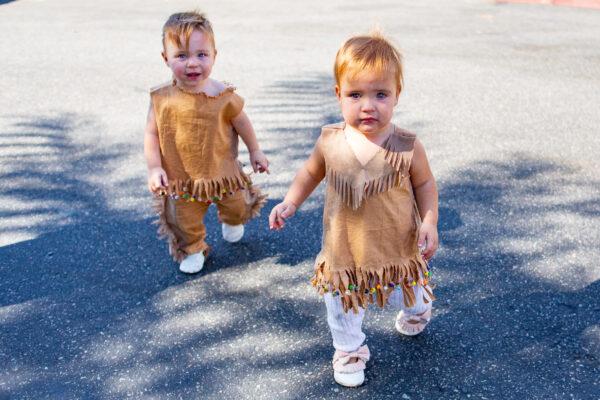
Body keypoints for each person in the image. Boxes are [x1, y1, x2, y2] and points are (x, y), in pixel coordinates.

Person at [269, 32, 438, 387]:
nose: (368, 106)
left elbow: (424, 184)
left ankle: (418, 308)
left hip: (397, 247)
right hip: (345, 249)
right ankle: (348, 349)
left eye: (380, 94)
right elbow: (310, 172)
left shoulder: (407, 146)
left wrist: (430, 220)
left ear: (397, 95)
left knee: (408, 291)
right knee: (343, 301)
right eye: (355, 95)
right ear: (338, 95)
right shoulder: (330, 141)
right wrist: (290, 201)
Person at [144, 11, 269, 274]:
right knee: (183, 219)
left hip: (223, 172)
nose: (192, 64)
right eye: (181, 56)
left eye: (201, 55)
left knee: (236, 206)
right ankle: (193, 248)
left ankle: (232, 221)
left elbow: (242, 122)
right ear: (165, 59)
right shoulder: (161, 98)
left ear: (214, 55)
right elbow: (152, 134)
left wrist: (255, 150)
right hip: (182, 176)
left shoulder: (223, 95)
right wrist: (155, 168)